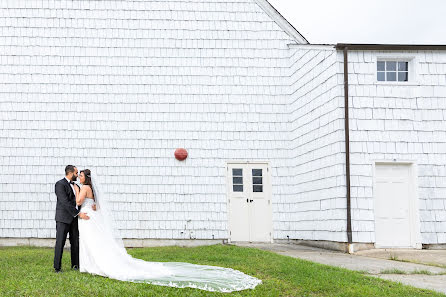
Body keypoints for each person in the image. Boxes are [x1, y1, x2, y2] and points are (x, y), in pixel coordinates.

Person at [74, 169, 262, 292]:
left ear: (85, 178)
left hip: (87, 218)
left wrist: (76, 192)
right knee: (99, 242)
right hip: (93, 217)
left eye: (80, 175)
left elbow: (79, 202)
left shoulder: (84, 187)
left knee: (92, 242)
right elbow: (95, 206)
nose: (79, 177)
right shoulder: (93, 189)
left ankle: (93, 265)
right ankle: (93, 264)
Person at [53, 165, 90, 273]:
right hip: (63, 219)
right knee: (60, 242)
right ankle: (57, 267)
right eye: (76, 173)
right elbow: (65, 202)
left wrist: (91, 205)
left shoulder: (76, 186)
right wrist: (78, 213)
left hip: (74, 219)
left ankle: (75, 265)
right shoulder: (60, 184)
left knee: (75, 242)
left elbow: (80, 201)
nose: (77, 175)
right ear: (70, 173)